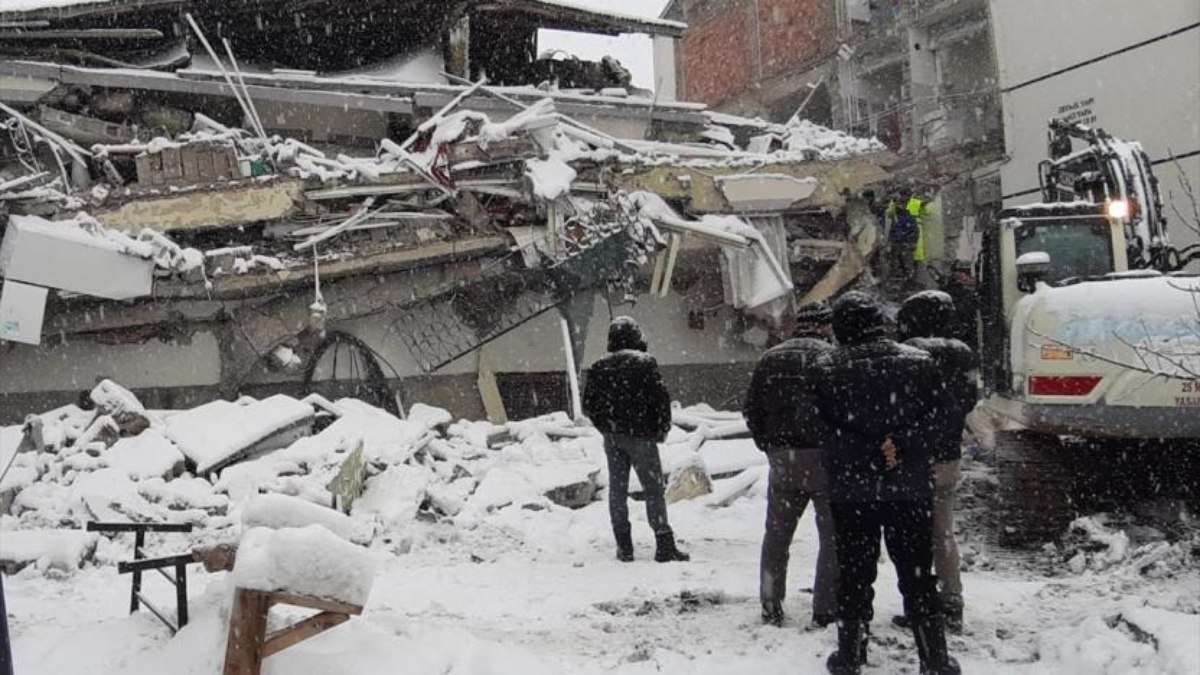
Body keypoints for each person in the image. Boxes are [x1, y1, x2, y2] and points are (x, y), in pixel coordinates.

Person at [800, 292, 960, 675]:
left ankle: (850, 655)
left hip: (852, 490)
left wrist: (863, 450)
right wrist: (900, 444)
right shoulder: (920, 363)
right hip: (909, 488)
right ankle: (934, 657)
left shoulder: (824, 368)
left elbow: (813, 427)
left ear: (840, 327)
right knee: (918, 573)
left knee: (854, 573)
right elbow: (944, 419)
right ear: (879, 322)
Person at [743, 301, 839, 628]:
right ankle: (826, 607)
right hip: (825, 457)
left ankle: (771, 602)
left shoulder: (770, 359)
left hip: (783, 458)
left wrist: (769, 445)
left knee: (777, 535)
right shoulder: (831, 358)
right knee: (832, 537)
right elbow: (841, 410)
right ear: (825, 326)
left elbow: (751, 409)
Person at [895, 291, 979, 634]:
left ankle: (921, 604)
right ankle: (952, 600)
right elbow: (970, 400)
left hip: (913, 457)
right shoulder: (963, 353)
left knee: (913, 536)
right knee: (943, 531)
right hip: (949, 455)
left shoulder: (907, 353)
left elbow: (899, 406)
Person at [582, 317, 689, 563]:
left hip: (613, 437)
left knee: (617, 491)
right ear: (635, 336)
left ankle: (624, 546)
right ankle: (663, 543)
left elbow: (590, 405)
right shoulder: (644, 363)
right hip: (641, 436)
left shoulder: (599, 367)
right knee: (653, 489)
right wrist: (661, 428)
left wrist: (606, 428)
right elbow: (660, 398)